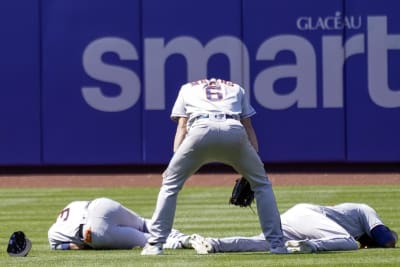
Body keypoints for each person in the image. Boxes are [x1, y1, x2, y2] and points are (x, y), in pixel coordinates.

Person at [141, 78, 287, 255]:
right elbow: (248, 126)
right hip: (233, 129)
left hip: (200, 130)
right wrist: (255, 166)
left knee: (170, 184)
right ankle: (277, 245)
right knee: (262, 185)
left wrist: (174, 163)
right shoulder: (236, 88)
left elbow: (182, 126)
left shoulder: (187, 88)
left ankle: (155, 245)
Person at [188, 203, 398, 254]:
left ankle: (213, 244)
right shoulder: (365, 210)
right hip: (309, 216)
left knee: (262, 243)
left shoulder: (356, 228)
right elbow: (386, 238)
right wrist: (392, 238)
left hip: (295, 217)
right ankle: (308, 246)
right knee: (349, 243)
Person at [48, 197, 191, 250]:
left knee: (146, 240)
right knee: (144, 224)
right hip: (101, 205)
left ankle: (183, 243)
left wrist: (80, 245)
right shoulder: (71, 205)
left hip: (93, 231)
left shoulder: (52, 233)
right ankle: (184, 237)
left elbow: (72, 246)